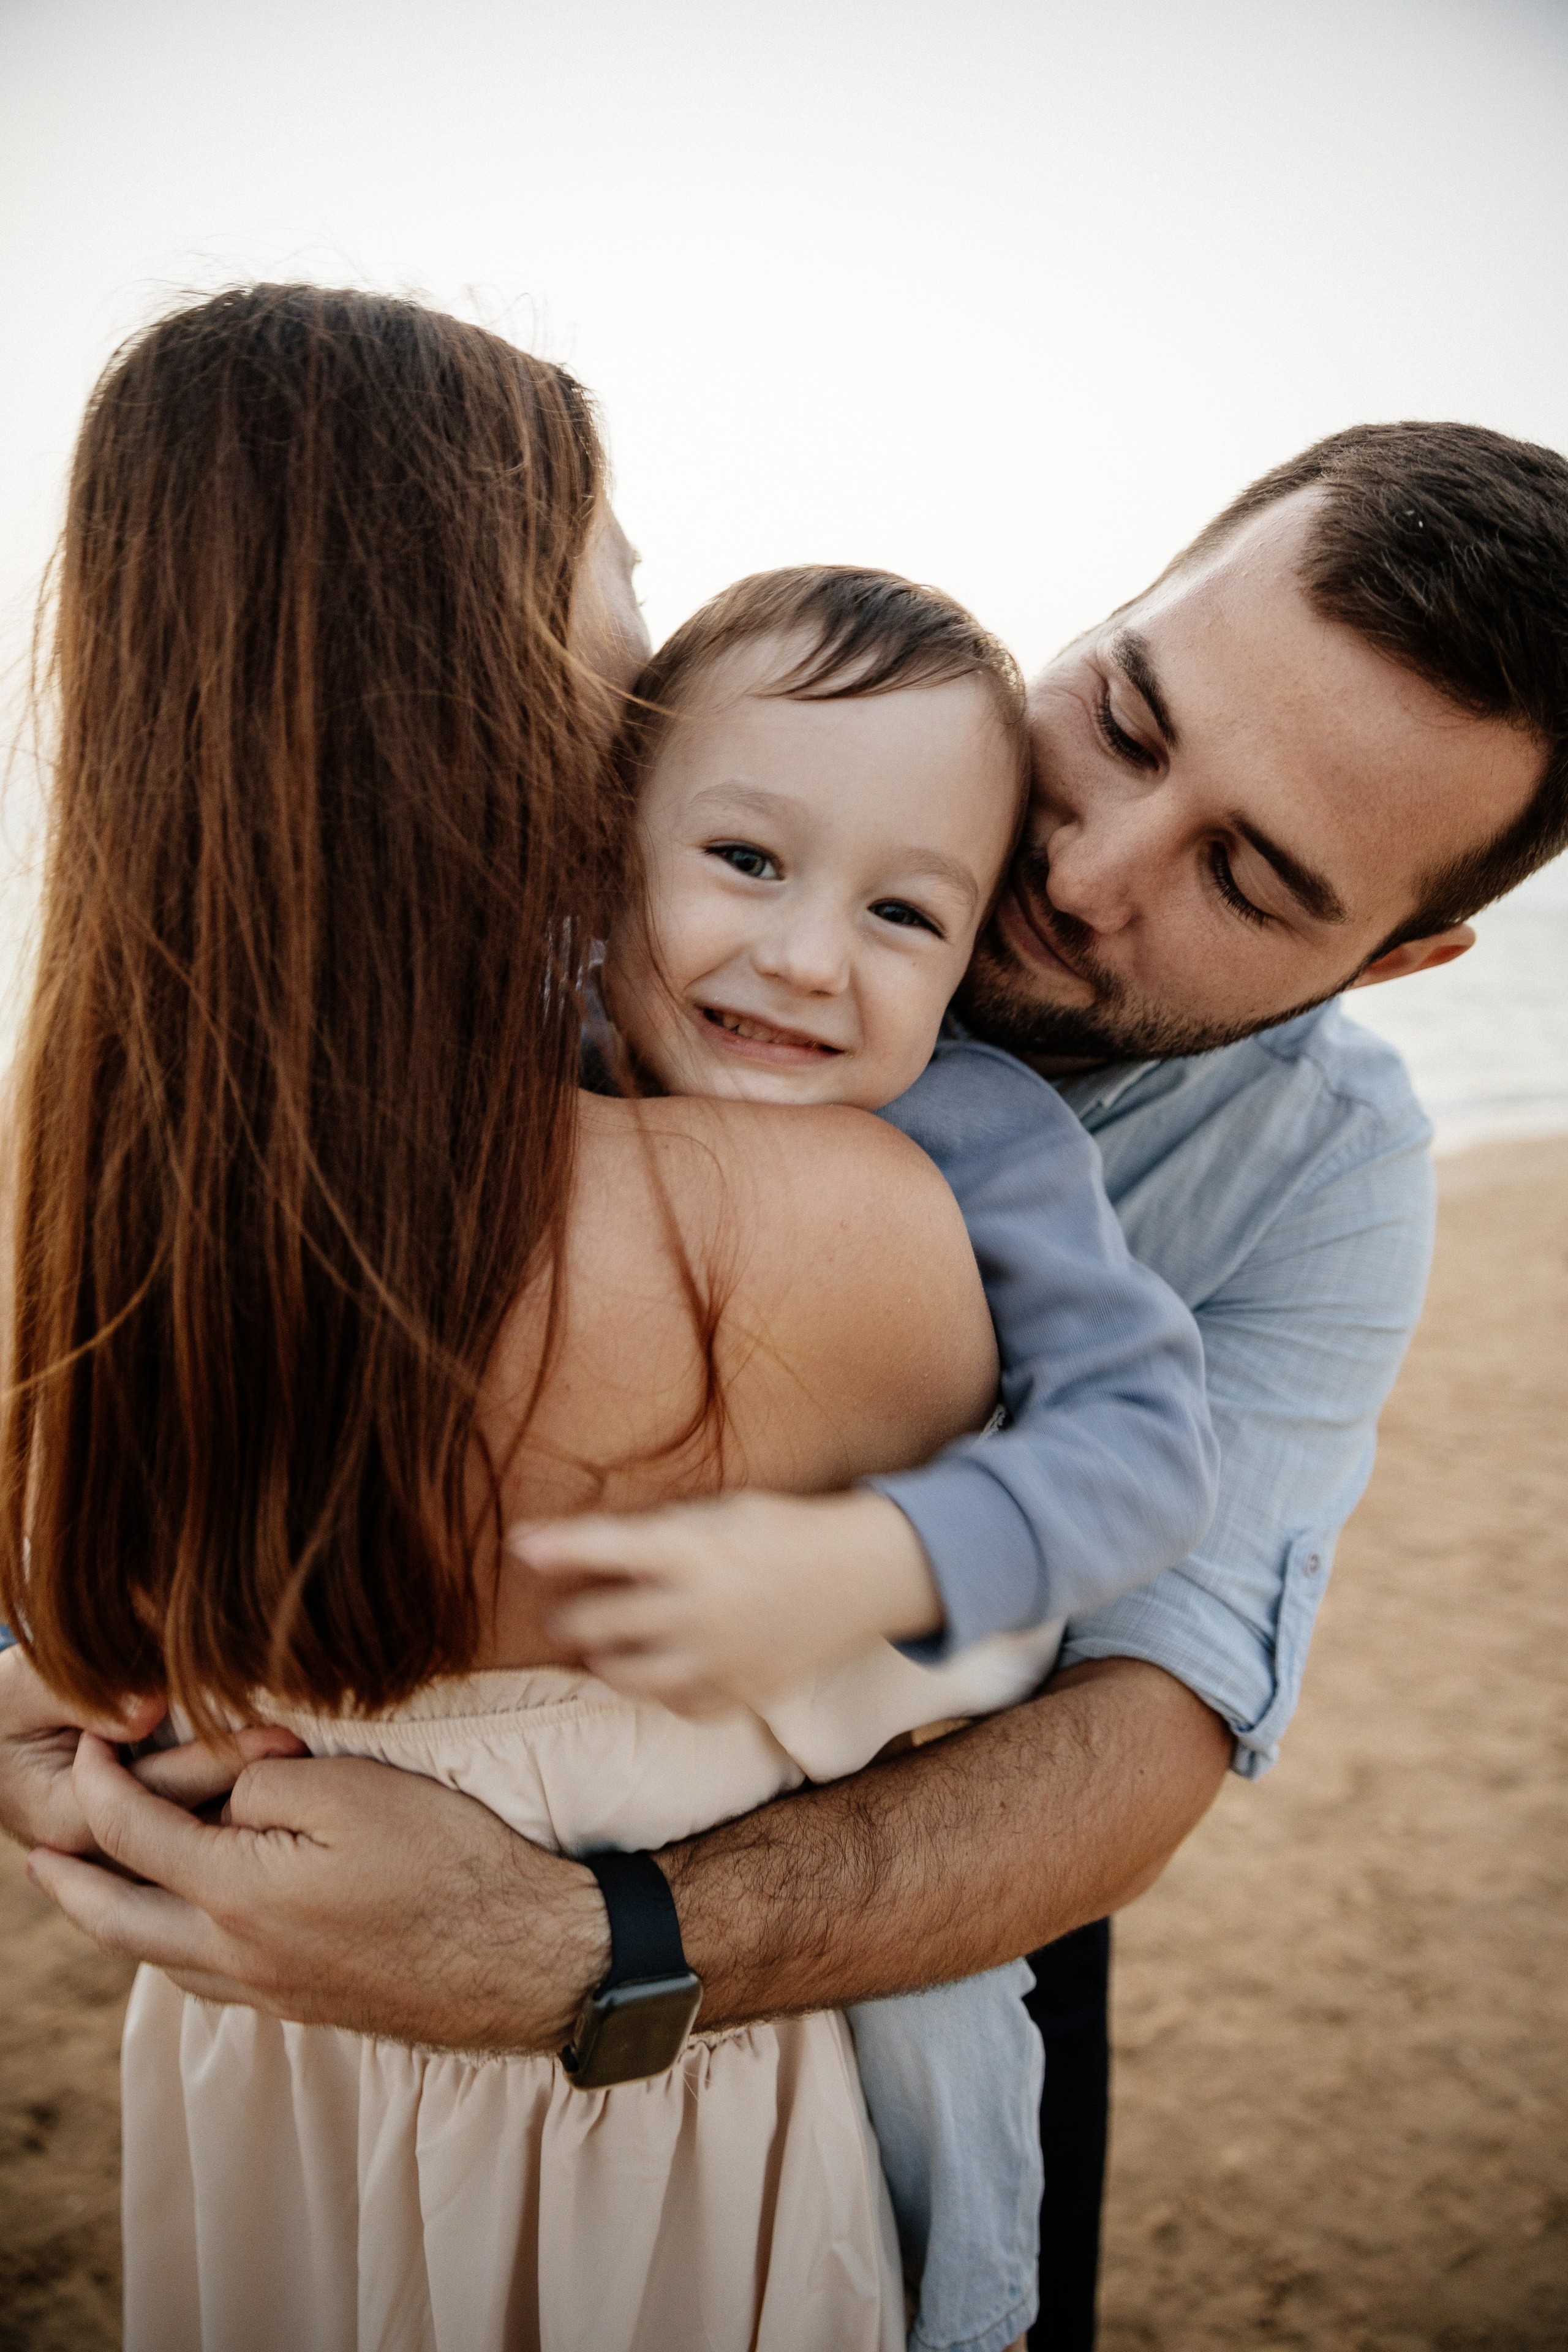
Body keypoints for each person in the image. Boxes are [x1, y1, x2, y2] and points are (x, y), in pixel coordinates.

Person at [10, 421, 1568, 2346]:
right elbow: (228, 1198)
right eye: (1133, 719)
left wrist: (581, 1944)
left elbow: (1143, 1734)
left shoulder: (1310, 1171)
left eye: (1249, 878)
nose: (1086, 870)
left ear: (1402, 954)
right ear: (1108, 613)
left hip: (903, 1931)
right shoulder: (762, 753)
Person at [0, 280, 1090, 2351]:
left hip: (267, 2091)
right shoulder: (813, 1221)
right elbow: (1011, 1660)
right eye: (619, 580)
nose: (649, 652)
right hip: (659, 2133)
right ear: (478, 651)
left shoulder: (77, 1206)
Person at [552, 556, 1219, 2352]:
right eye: (747, 861)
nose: (804, 956)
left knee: (926, 2231)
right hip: (505, 1824)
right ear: (612, 836)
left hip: (838, 1845)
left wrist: (879, 1558)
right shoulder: (511, 1044)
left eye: (907, 916)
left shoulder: (978, 1131)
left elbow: (1152, 1448)